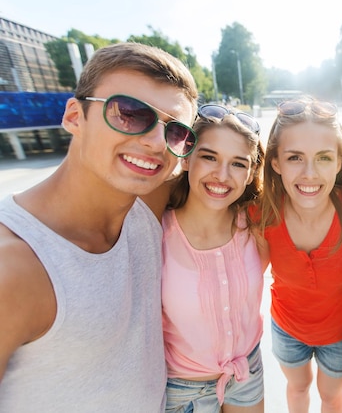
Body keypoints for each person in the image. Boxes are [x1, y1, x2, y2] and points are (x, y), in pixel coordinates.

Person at [0, 42, 199, 411]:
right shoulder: (14, 265)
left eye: (176, 132)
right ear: (75, 116)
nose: (156, 142)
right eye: (129, 113)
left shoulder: (147, 204)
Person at [256, 97, 342, 413]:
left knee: (331, 396)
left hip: (339, 334)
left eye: (323, 158)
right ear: (276, 162)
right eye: (295, 157)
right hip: (287, 328)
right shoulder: (262, 212)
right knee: (297, 389)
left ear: (338, 162)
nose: (309, 173)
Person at [159, 105, 268, 412]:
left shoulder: (256, 226)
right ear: (187, 158)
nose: (222, 175)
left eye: (237, 164)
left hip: (247, 372)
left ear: (250, 175)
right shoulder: (156, 233)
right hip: (183, 389)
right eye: (209, 157)